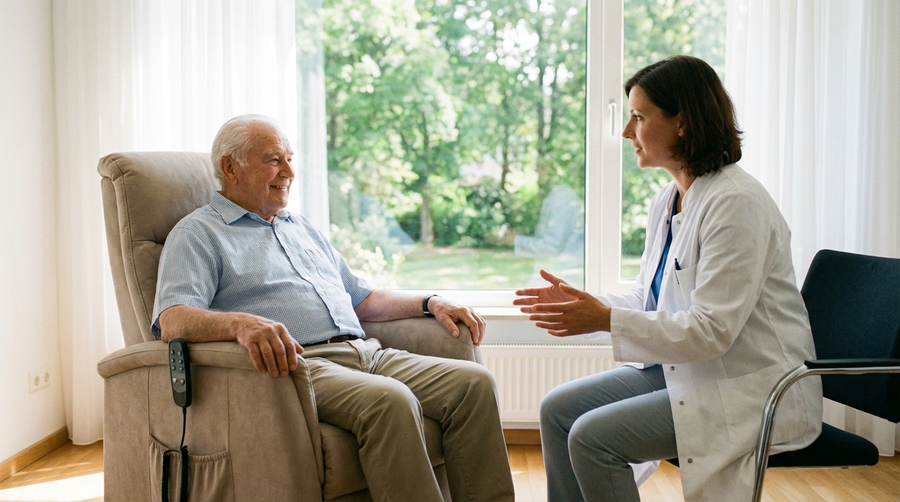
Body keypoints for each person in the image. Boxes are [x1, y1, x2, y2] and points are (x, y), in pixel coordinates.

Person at [152, 114, 515, 502]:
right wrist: (242, 324)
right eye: (274, 160)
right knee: (390, 401)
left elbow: (362, 299)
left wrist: (430, 302)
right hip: (301, 367)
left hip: (366, 353)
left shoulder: (299, 227)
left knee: (474, 385)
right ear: (230, 168)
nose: (289, 171)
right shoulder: (198, 233)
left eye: (289, 159)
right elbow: (172, 318)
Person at [513, 55, 823, 502]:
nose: (626, 132)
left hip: (753, 388)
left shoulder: (737, 204)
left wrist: (603, 319)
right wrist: (588, 306)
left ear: (682, 123)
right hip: (689, 371)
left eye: (638, 117)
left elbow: (712, 331)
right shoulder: (668, 199)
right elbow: (650, 299)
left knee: (593, 438)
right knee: (557, 410)